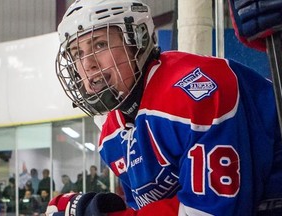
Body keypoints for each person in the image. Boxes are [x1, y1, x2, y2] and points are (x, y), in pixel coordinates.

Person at [54, 0, 282, 215]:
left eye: (99, 44)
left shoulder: (196, 90)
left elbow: (210, 211)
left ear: (137, 41)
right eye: (77, 54)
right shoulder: (111, 137)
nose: (87, 64)